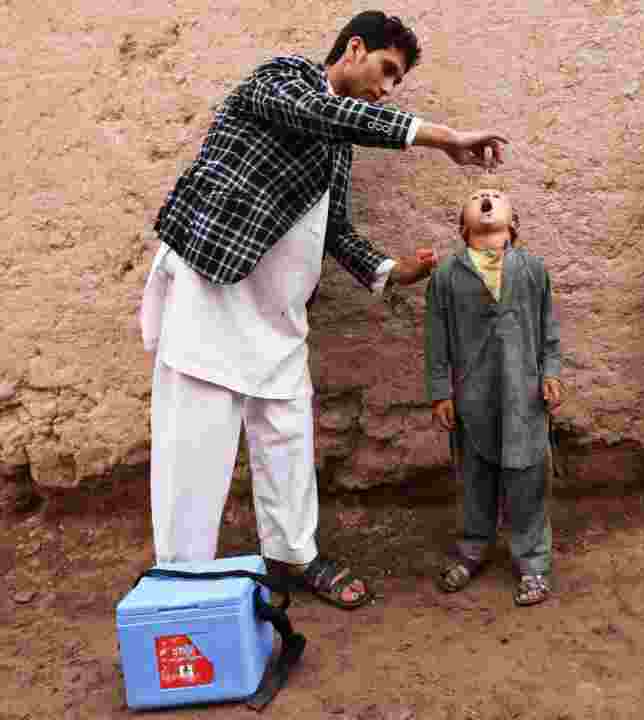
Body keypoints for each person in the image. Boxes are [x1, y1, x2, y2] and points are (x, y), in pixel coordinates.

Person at [139, 10, 508, 610]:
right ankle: (185, 584)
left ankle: (292, 556)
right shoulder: (280, 79)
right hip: (212, 290)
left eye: (397, 83)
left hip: (277, 316)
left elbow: (332, 228)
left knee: (286, 433)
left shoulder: (339, 149)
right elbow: (327, 115)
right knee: (195, 442)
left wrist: (389, 271)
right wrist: (440, 137)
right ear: (354, 48)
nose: (387, 89)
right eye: (386, 71)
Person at [425, 188, 562, 606]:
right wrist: (440, 393)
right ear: (463, 226)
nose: (486, 197)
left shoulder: (533, 270)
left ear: (513, 224)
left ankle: (533, 563)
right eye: (477, 196)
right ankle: (472, 549)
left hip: (524, 394)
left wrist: (551, 373)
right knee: (475, 477)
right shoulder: (446, 275)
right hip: (472, 396)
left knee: (527, 478)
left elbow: (548, 329)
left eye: (496, 195)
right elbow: (435, 340)